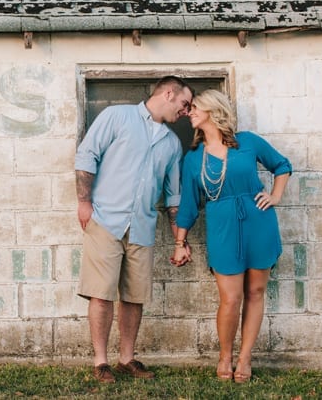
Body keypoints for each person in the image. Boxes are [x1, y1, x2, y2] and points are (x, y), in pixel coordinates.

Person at [75, 75, 194, 383]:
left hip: (142, 226)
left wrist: (180, 239)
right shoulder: (118, 116)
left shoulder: (171, 144)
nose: (186, 110)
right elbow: (87, 154)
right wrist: (84, 202)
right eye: (184, 103)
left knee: (134, 296)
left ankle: (127, 357)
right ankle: (101, 362)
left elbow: (174, 196)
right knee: (101, 295)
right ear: (168, 93)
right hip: (105, 220)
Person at [171, 89, 291, 383]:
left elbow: (282, 165)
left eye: (196, 107)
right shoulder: (193, 158)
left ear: (213, 110)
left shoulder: (247, 142)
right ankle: (225, 355)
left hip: (258, 222)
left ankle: (245, 357)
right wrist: (179, 242)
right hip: (222, 227)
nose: (190, 112)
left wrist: (275, 196)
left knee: (255, 293)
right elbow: (189, 205)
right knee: (230, 298)